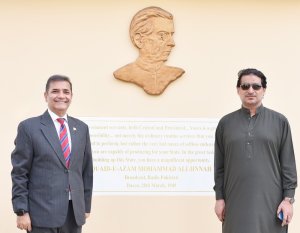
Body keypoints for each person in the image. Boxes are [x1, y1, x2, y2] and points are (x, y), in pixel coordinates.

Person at [214, 68, 297, 233]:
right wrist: (219, 198)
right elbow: (219, 167)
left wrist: (288, 200)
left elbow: (288, 164)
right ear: (238, 90)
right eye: (245, 86)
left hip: (271, 204)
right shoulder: (225, 124)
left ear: (264, 90)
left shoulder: (279, 122)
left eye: (256, 86)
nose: (250, 90)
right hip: (235, 202)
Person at [11, 75, 93, 233]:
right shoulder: (29, 128)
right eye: (55, 91)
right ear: (45, 95)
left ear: (71, 96)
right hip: (40, 214)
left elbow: (86, 170)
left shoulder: (82, 128)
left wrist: (86, 205)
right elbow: (20, 173)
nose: (61, 96)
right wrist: (21, 211)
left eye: (66, 92)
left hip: (73, 213)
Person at [113, 6, 185, 95]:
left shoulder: (175, 72)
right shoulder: (123, 73)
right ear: (139, 40)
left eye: (171, 35)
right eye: (162, 35)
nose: (172, 43)